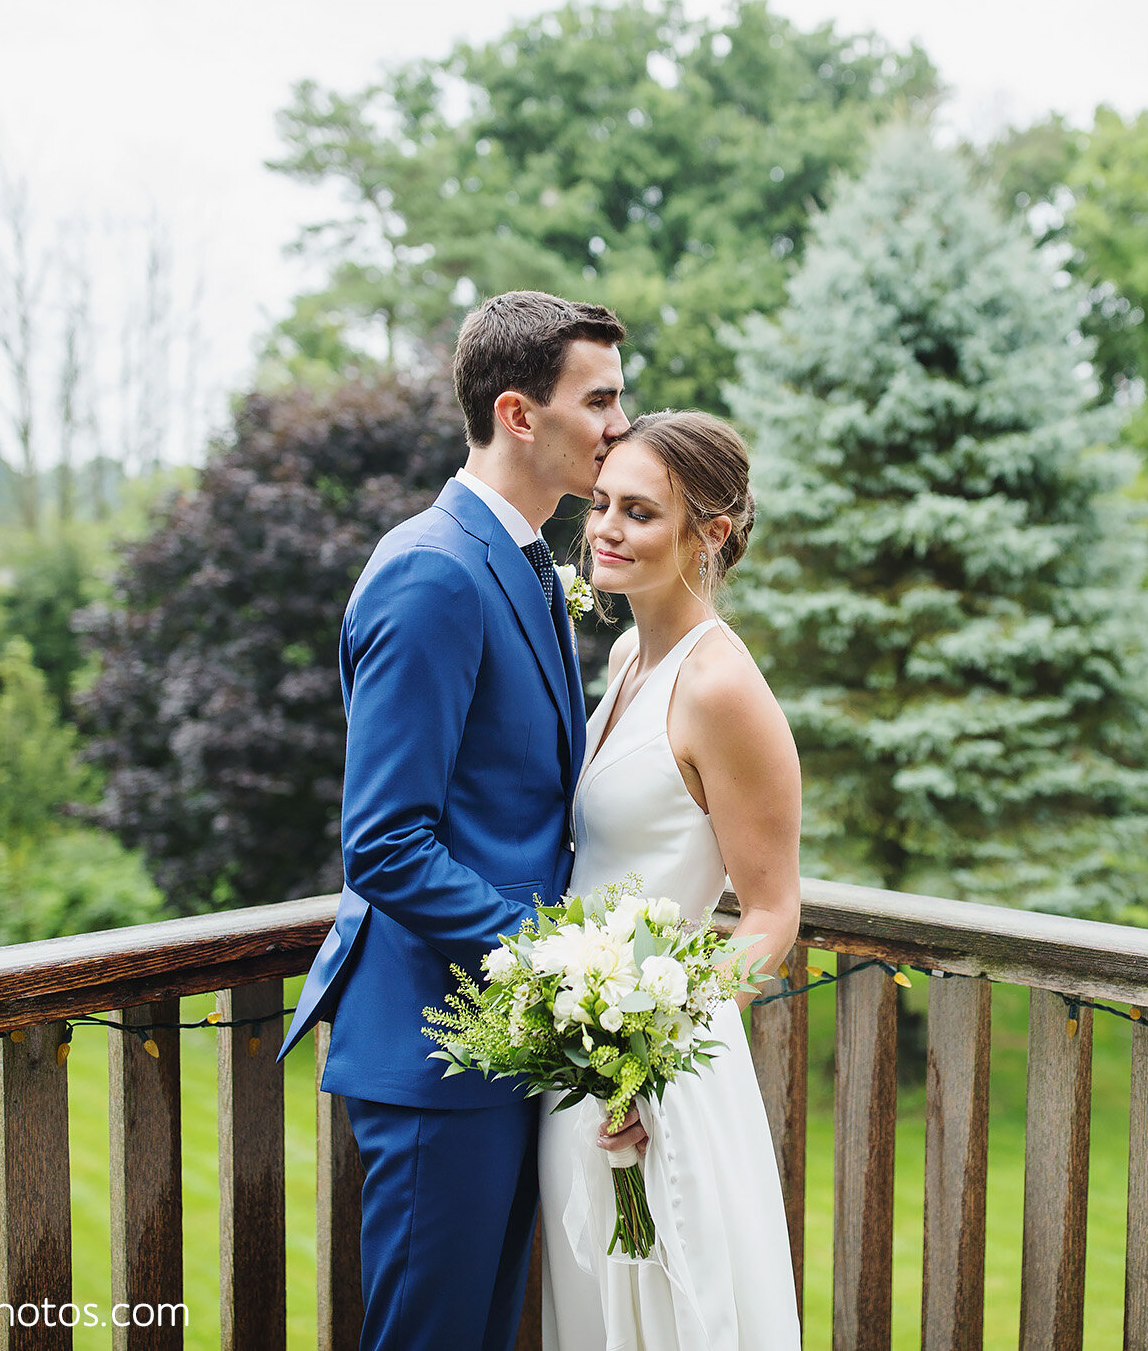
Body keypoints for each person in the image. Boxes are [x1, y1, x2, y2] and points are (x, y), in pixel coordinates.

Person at [277, 290, 631, 1351]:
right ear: (519, 413)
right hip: (439, 1047)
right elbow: (386, 843)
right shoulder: (433, 571)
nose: (619, 426)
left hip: (497, 1041)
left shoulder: (520, 558)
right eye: (600, 399)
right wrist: (556, 967)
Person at [540, 409, 805, 1349]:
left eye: (640, 513)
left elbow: (773, 911)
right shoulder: (624, 657)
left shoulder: (721, 687)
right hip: (585, 1059)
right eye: (602, 503)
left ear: (711, 533)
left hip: (663, 1078)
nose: (604, 528)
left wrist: (649, 1061)